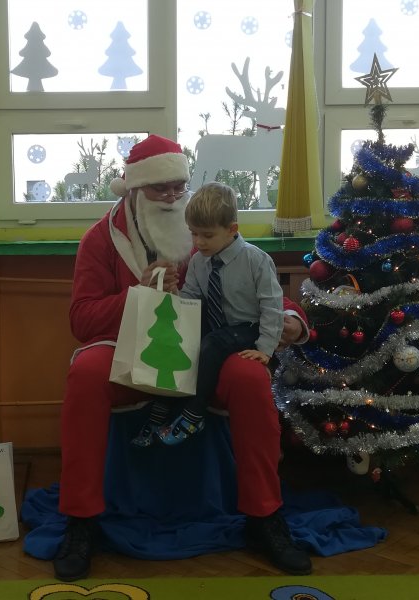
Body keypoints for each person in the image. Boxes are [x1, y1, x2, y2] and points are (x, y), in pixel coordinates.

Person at [53, 134, 312, 581]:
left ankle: (264, 515)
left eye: (179, 187)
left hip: (206, 345)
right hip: (127, 347)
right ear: (135, 189)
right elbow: (82, 320)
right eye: (161, 188)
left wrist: (292, 317)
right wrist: (137, 292)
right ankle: (82, 520)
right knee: (85, 375)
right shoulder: (100, 240)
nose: (173, 197)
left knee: (250, 379)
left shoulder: (202, 228)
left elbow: (255, 280)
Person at [133, 181, 284, 447]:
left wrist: (265, 349)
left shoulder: (256, 260)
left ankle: (194, 415)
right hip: (216, 327)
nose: (198, 242)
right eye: (193, 234)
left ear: (232, 229)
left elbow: (272, 306)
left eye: (207, 235)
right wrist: (173, 294)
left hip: (247, 327)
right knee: (177, 339)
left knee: (212, 344)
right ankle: (159, 410)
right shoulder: (198, 261)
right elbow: (191, 300)